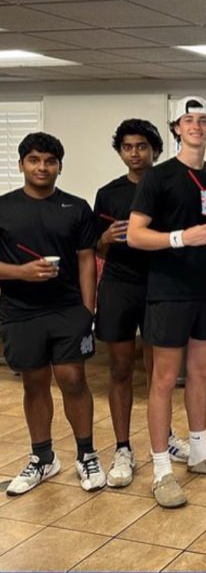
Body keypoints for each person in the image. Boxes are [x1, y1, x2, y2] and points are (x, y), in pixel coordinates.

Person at [129, 96, 206, 508]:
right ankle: (161, 469)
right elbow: (136, 235)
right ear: (176, 128)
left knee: (199, 375)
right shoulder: (157, 179)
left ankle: (199, 452)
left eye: (203, 121)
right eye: (187, 120)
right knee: (163, 380)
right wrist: (180, 237)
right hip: (169, 291)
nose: (195, 126)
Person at [0, 132, 105, 495]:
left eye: (49, 161)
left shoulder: (76, 208)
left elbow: (87, 259)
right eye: (34, 160)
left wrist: (87, 311)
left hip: (67, 309)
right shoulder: (4, 207)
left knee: (73, 378)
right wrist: (21, 272)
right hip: (20, 311)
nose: (42, 167)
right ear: (21, 165)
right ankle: (43, 458)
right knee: (34, 382)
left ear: (59, 166)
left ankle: (86, 453)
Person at [94, 118, 190, 488]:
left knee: (158, 373)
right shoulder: (108, 193)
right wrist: (104, 237)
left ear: (155, 150)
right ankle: (123, 448)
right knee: (119, 370)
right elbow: (95, 248)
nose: (135, 153)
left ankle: (163, 437)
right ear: (120, 151)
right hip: (119, 286)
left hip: (159, 285)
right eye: (128, 147)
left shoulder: (168, 185)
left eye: (142, 147)